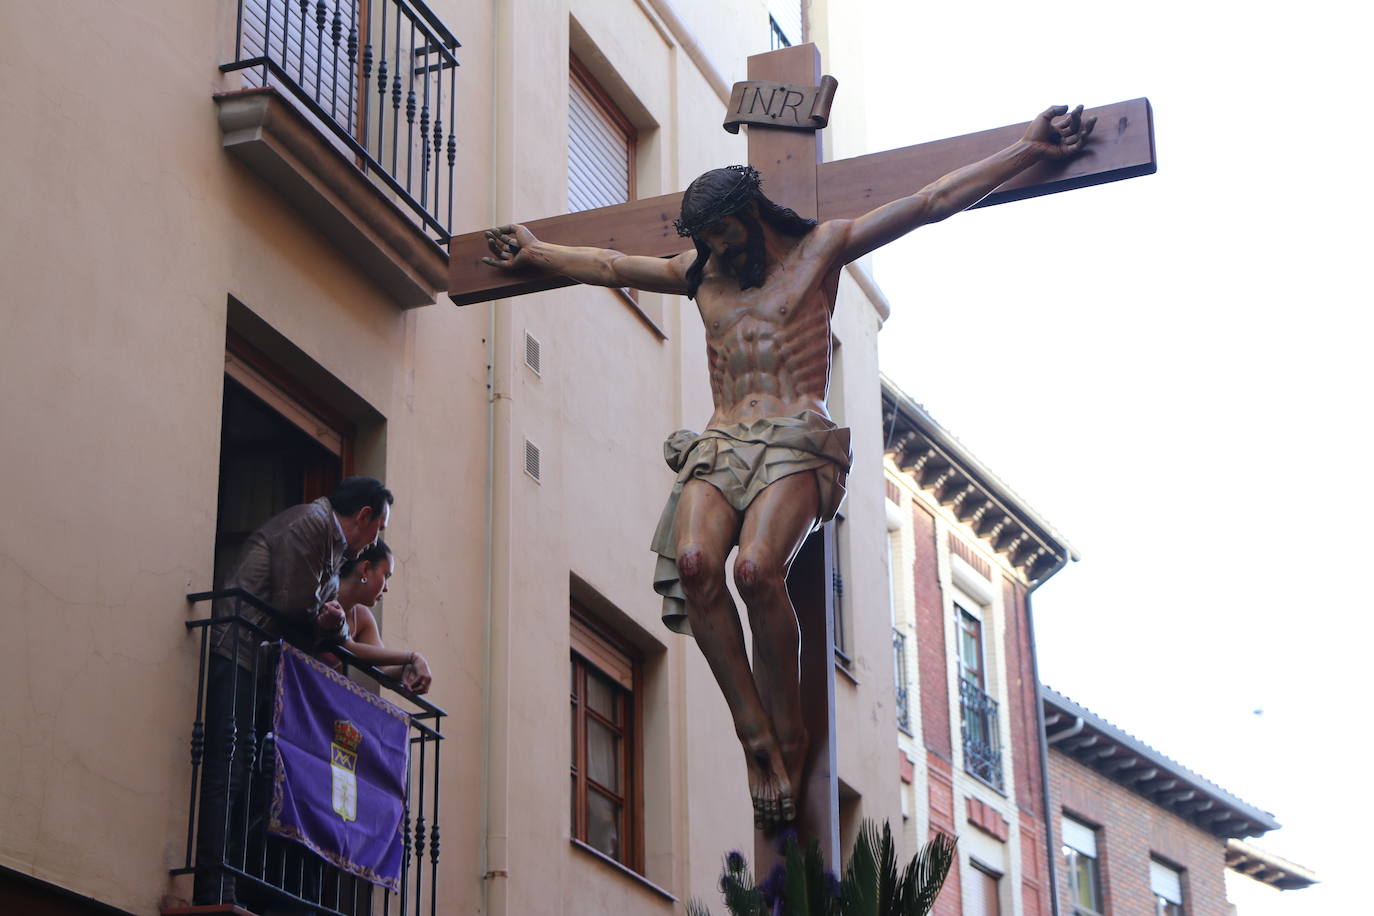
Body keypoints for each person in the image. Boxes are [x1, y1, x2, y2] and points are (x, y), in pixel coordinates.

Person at [482, 105, 1095, 828]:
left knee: (755, 570)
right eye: (703, 242)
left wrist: (1025, 147)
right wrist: (535, 253)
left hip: (795, 440)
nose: (712, 251)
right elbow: (612, 265)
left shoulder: (821, 252)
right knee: (697, 563)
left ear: (749, 216)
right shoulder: (700, 277)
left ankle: (789, 727)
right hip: (721, 443)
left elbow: (932, 201)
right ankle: (755, 737)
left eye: (719, 235)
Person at [195, 476, 394, 906]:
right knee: (226, 771)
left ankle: (225, 878)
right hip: (239, 651)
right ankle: (213, 882)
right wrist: (325, 620)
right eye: (379, 528)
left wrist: (328, 621)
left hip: (258, 660)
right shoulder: (311, 526)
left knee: (240, 774)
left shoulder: (330, 540)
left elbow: (330, 616)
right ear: (363, 517)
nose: (376, 539)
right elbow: (296, 603)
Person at [328, 539, 433, 694]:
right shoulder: (325, 596)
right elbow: (351, 648)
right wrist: (412, 657)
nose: (386, 588)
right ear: (365, 569)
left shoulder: (362, 616)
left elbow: (383, 669)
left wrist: (406, 670)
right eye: (386, 575)